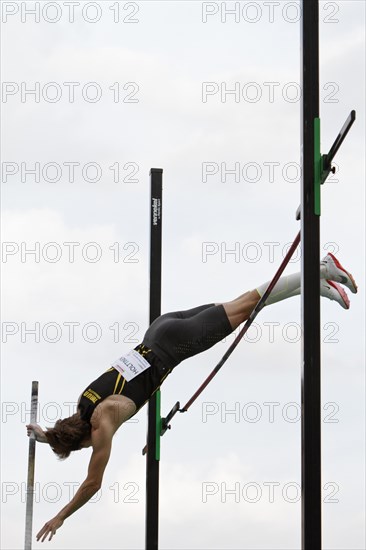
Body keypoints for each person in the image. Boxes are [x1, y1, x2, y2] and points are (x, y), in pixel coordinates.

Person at [27, 252, 357, 542]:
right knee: (240, 304)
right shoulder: (84, 404)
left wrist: (60, 516)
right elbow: (61, 434)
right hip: (160, 329)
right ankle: (314, 285)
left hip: (176, 345)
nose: (89, 448)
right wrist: (45, 437)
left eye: (82, 447)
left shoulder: (101, 423)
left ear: (83, 440)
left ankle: (320, 268)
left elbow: (92, 483)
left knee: (246, 304)